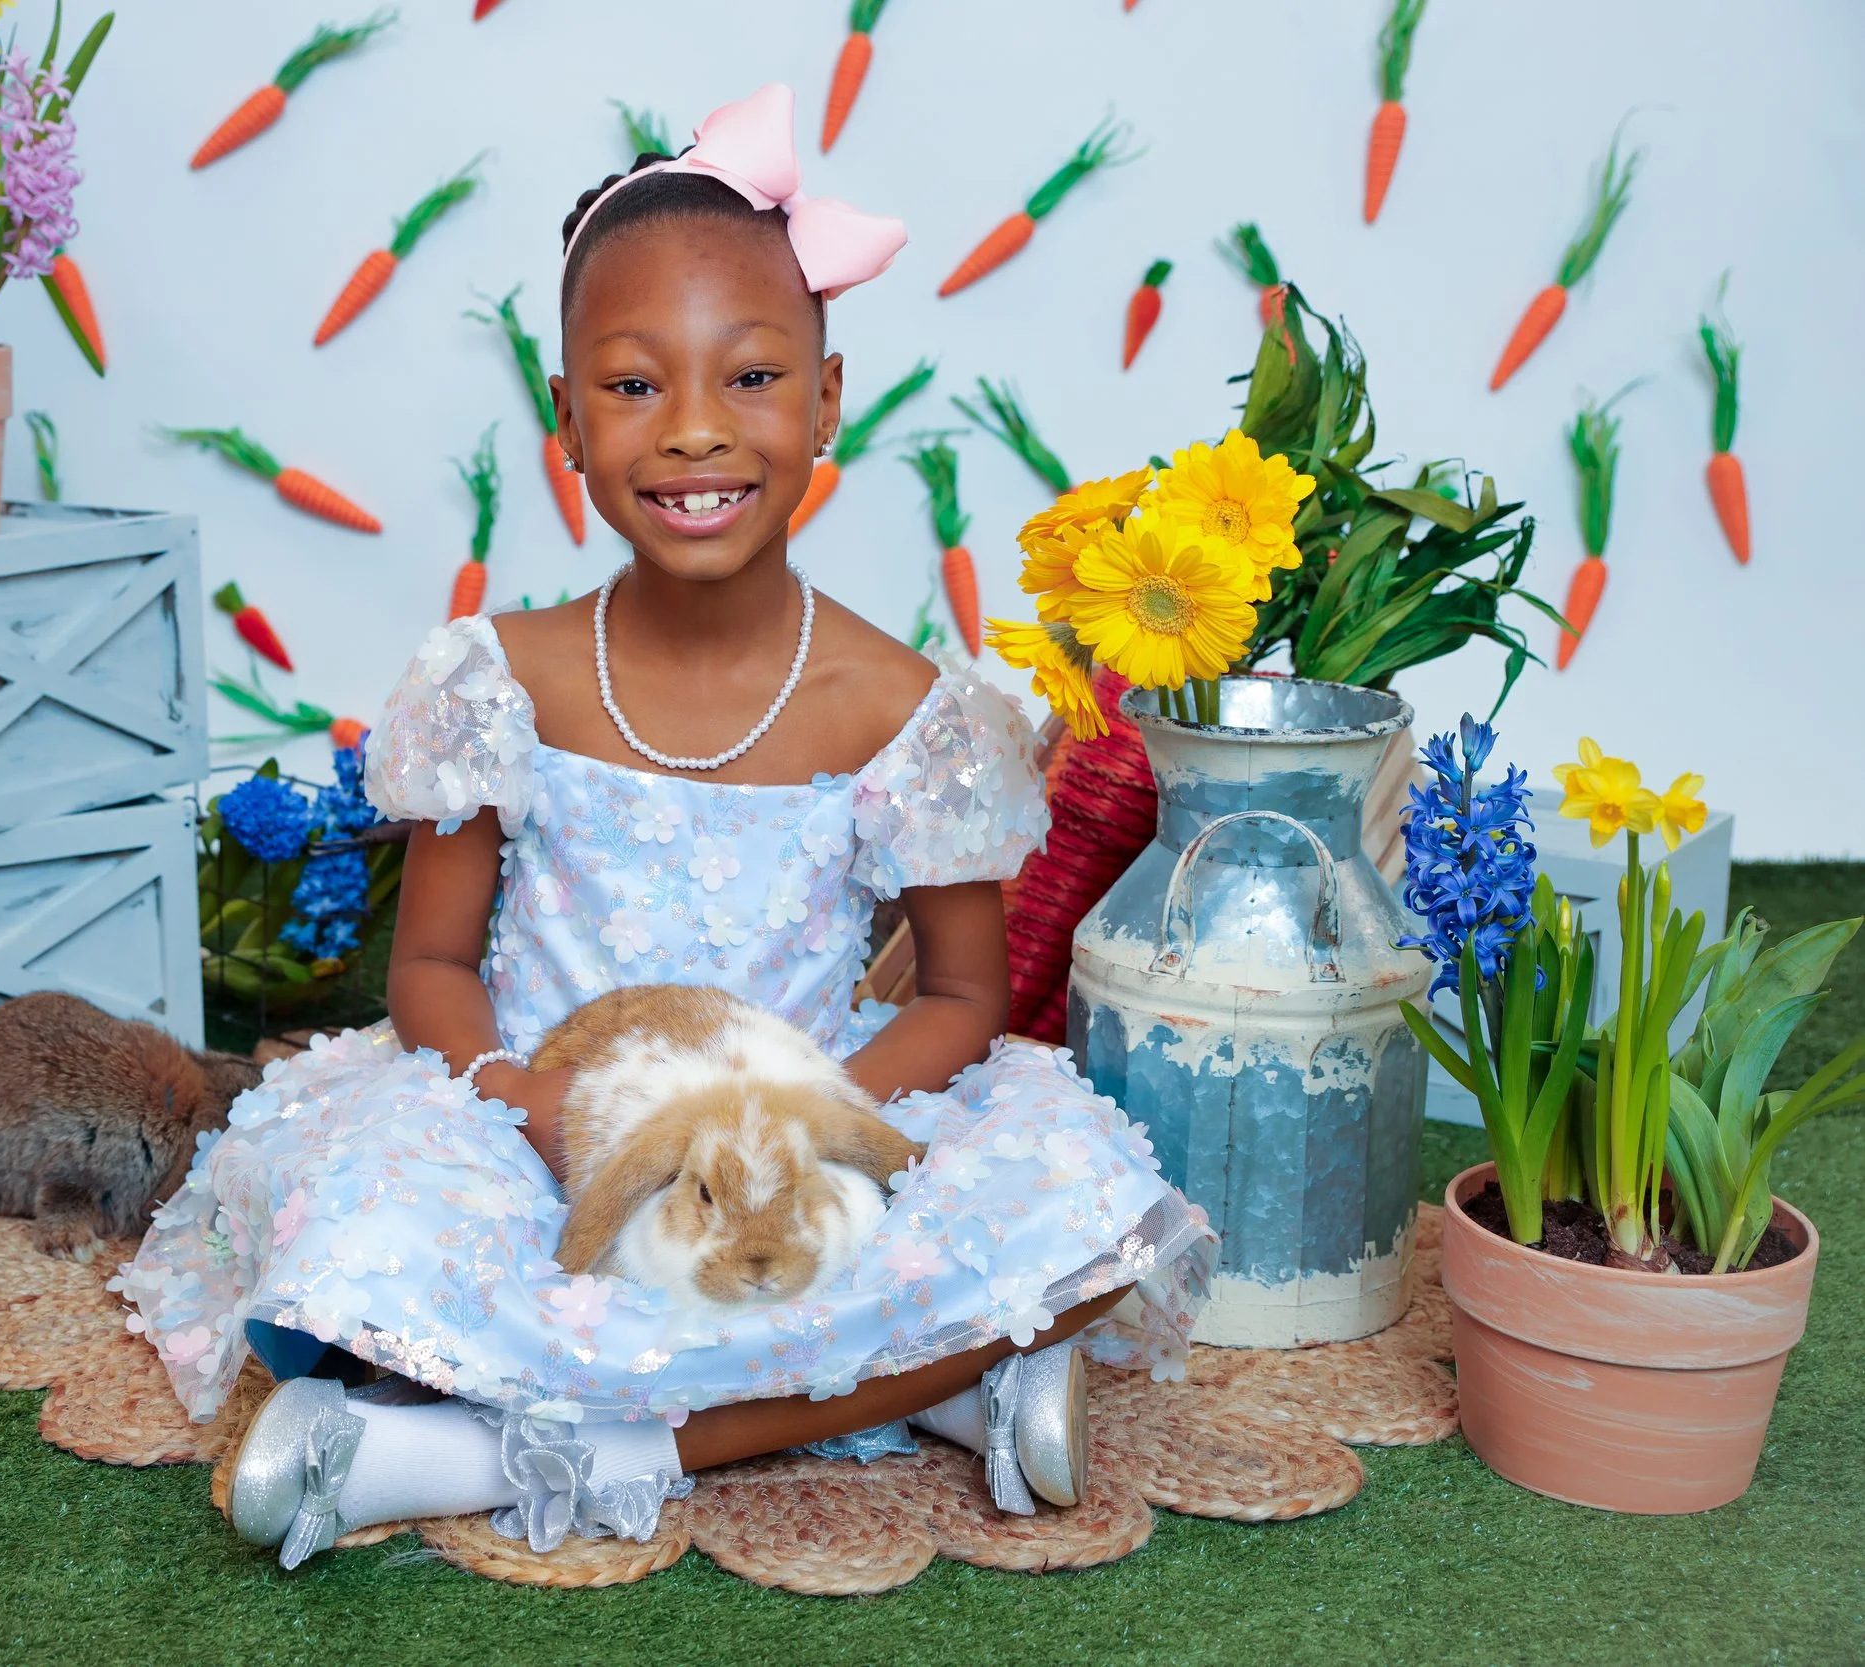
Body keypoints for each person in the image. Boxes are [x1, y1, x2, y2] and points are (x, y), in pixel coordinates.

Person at [117, 84, 1212, 1571]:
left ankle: (485, 1448)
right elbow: (430, 969)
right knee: (360, 1236)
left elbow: (964, 992)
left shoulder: (907, 706)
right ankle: (947, 1383)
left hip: (815, 1132)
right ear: (567, 420)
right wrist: (542, 1111)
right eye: (634, 387)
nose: (697, 431)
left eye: (753, 376)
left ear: (827, 399)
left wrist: (814, 1133)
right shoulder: (501, 678)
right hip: (548, 1130)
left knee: (1089, 1220)